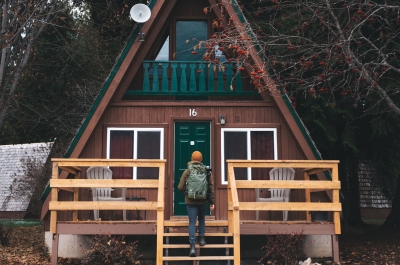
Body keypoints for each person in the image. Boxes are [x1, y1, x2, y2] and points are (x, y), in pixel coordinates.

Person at [178, 151, 215, 257]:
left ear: (192, 159)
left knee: (192, 222)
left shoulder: (187, 171)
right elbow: (211, 187)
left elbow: (180, 187)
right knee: (202, 218)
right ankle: (202, 239)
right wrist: (212, 202)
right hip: (203, 200)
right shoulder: (207, 171)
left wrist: (187, 191)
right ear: (201, 159)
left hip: (190, 200)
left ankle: (193, 246)